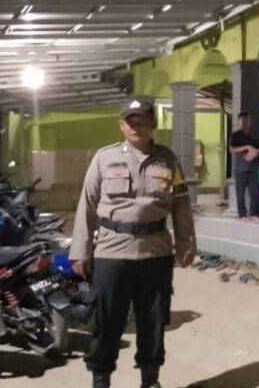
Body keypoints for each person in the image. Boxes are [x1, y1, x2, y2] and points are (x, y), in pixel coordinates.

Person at [70, 96, 197, 388]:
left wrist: (186, 245)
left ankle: (150, 380)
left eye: (143, 121)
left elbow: (181, 204)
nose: (136, 127)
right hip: (111, 252)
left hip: (156, 253)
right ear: (122, 126)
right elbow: (87, 204)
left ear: (153, 124)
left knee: (153, 321)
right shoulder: (105, 158)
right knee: (106, 320)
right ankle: (101, 379)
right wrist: (80, 251)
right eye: (131, 122)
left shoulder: (168, 159)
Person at [229, 112, 259, 219]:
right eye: (243, 121)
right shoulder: (235, 135)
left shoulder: (254, 136)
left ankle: (254, 213)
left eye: (247, 121)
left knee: (255, 192)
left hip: (253, 167)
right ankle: (242, 214)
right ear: (239, 122)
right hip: (240, 168)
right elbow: (232, 149)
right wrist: (247, 147)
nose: (245, 123)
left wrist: (255, 152)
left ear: (250, 122)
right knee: (240, 193)